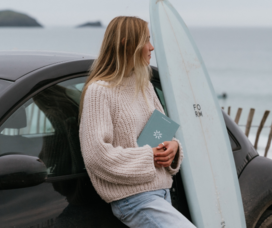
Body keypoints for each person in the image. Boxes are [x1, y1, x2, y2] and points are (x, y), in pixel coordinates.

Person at [79, 16, 195, 228]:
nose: (151, 47)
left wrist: (174, 148)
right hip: (134, 199)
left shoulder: (144, 85)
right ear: (127, 43)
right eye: (146, 40)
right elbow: (96, 156)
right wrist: (149, 154)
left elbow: (163, 132)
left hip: (161, 194)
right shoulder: (99, 91)